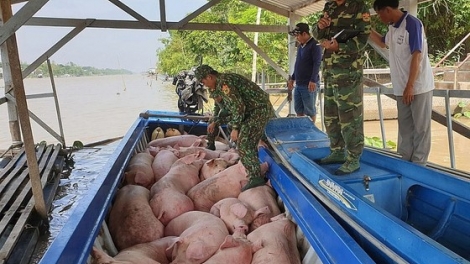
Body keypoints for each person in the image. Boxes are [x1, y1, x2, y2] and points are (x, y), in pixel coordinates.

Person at [369, 0, 434, 165]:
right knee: (405, 128)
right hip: (400, 87)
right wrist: (366, 29)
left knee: (421, 128)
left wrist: (410, 85)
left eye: (379, 14)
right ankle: (405, 161)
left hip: (418, 87)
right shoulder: (392, 27)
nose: (379, 17)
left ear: (388, 10)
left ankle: (419, 164)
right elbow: (383, 42)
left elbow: (416, 55)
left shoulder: (412, 24)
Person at [312, 0, 371, 175]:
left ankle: (353, 158)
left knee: (350, 116)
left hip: (348, 72)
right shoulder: (329, 6)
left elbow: (363, 38)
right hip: (330, 70)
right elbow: (317, 35)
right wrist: (320, 26)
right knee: (331, 115)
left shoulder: (359, 6)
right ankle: (337, 151)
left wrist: (341, 46)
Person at [195, 65, 276, 191]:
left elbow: (238, 107)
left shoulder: (224, 83)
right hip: (252, 110)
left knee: (244, 143)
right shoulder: (221, 83)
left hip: (258, 110)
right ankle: (250, 161)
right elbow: (229, 109)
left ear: (209, 77)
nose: (204, 84)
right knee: (245, 139)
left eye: (203, 81)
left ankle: (256, 177)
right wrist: (216, 121)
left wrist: (236, 128)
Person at [287, 22, 323, 123]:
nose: (296, 38)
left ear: (304, 34)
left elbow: (317, 63)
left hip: (308, 83)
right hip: (299, 83)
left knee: (310, 111)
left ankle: (310, 133)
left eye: (298, 35)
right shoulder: (300, 46)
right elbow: (297, 64)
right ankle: (301, 131)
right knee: (299, 110)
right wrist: (292, 78)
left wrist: (313, 80)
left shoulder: (315, 45)